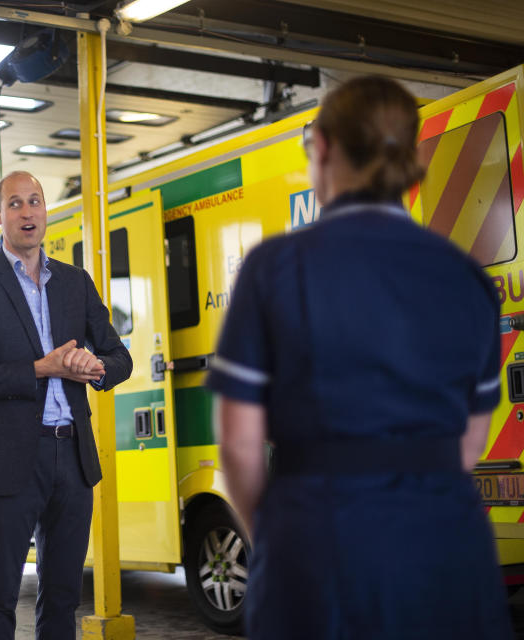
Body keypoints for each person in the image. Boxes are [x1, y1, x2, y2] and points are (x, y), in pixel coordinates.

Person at [209, 75, 513, 639]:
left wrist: (278, 537)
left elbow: (239, 444)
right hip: (448, 545)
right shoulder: (466, 277)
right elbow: (470, 441)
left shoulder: (274, 269)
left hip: (318, 542)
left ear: (321, 148)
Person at [0, 171, 133, 640]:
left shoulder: (75, 282)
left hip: (72, 460)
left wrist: (95, 366)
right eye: (15, 204)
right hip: (7, 464)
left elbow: (120, 357)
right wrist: (39, 369)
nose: (27, 213)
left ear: (46, 210)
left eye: (35, 202)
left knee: (63, 597)